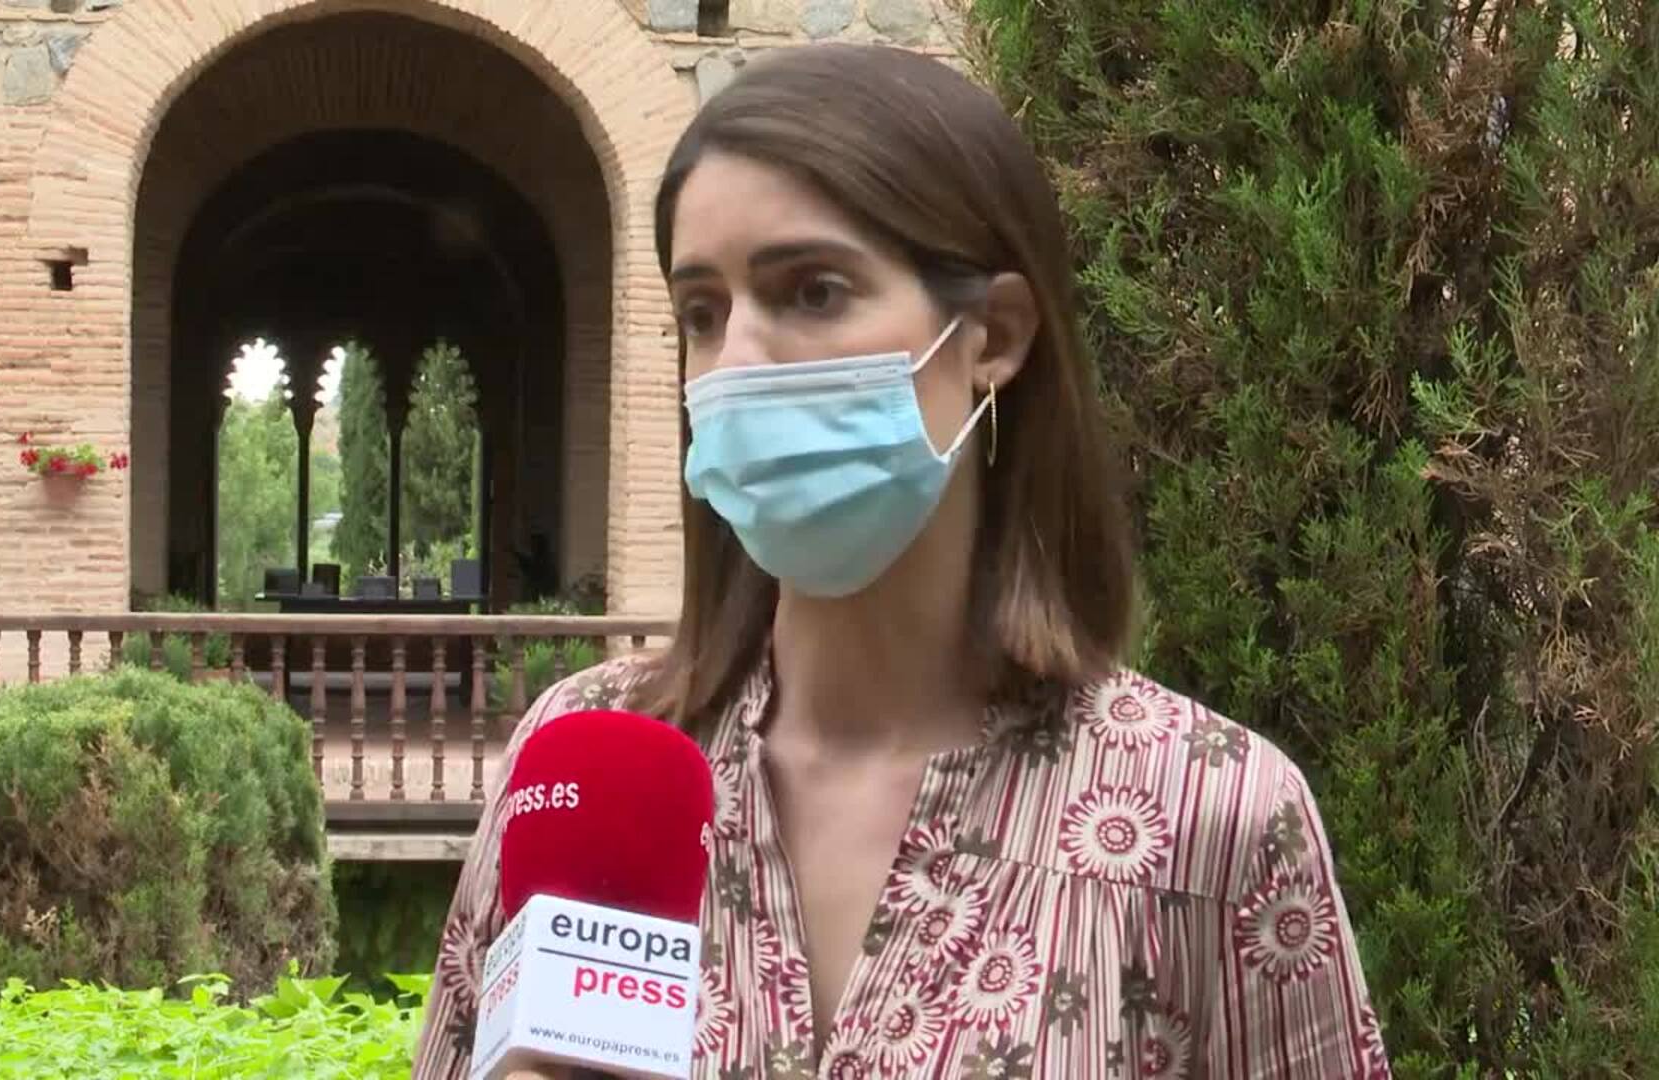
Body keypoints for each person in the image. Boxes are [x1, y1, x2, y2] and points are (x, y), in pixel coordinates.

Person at [414, 43, 1389, 1079]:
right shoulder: (581, 769)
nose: (737, 360)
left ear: (993, 337)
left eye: (813, 291)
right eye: (704, 311)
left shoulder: (1206, 814)